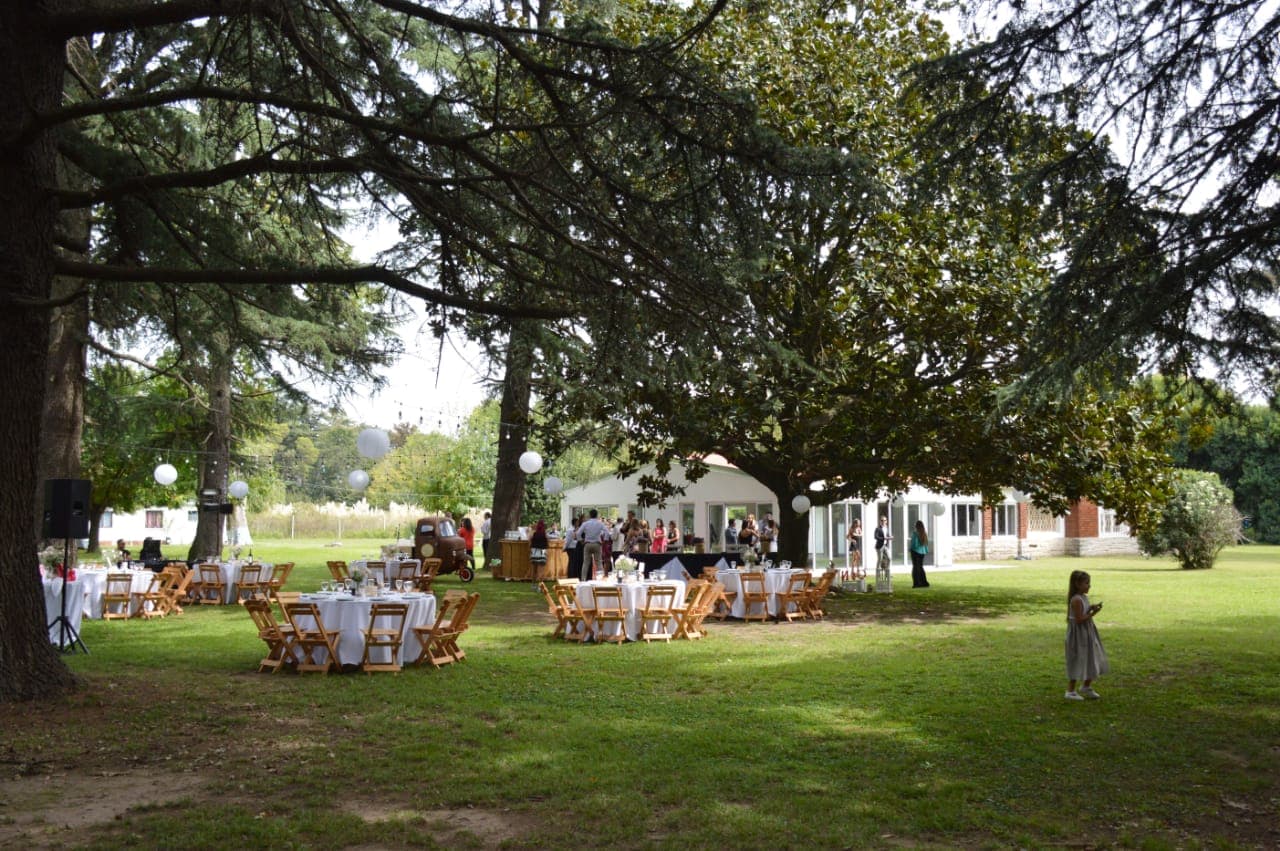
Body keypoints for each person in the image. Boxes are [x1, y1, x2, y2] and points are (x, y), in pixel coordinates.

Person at [1065, 570, 1109, 700]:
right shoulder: (1076, 599)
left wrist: (1091, 608)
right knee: (1077, 659)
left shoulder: (1084, 597)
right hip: (1078, 635)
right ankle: (1070, 691)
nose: (1089, 586)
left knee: (1092, 656)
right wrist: (1092, 614)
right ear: (1077, 584)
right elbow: (1078, 619)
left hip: (1087, 632)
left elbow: (1083, 612)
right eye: (1087, 583)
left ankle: (1086, 686)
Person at [577, 509, 609, 580]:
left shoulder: (585, 523)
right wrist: (605, 541)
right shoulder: (600, 523)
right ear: (596, 515)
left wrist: (581, 541)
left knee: (585, 563)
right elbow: (607, 532)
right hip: (597, 544)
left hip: (587, 544)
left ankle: (583, 580)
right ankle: (600, 579)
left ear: (590, 515)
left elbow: (578, 533)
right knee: (599, 563)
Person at [909, 520, 930, 588]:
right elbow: (926, 544)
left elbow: (914, 544)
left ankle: (916, 583)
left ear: (917, 526)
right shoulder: (924, 533)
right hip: (922, 552)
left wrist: (910, 549)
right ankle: (924, 582)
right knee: (920, 567)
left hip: (915, 551)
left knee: (915, 567)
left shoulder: (915, 533)